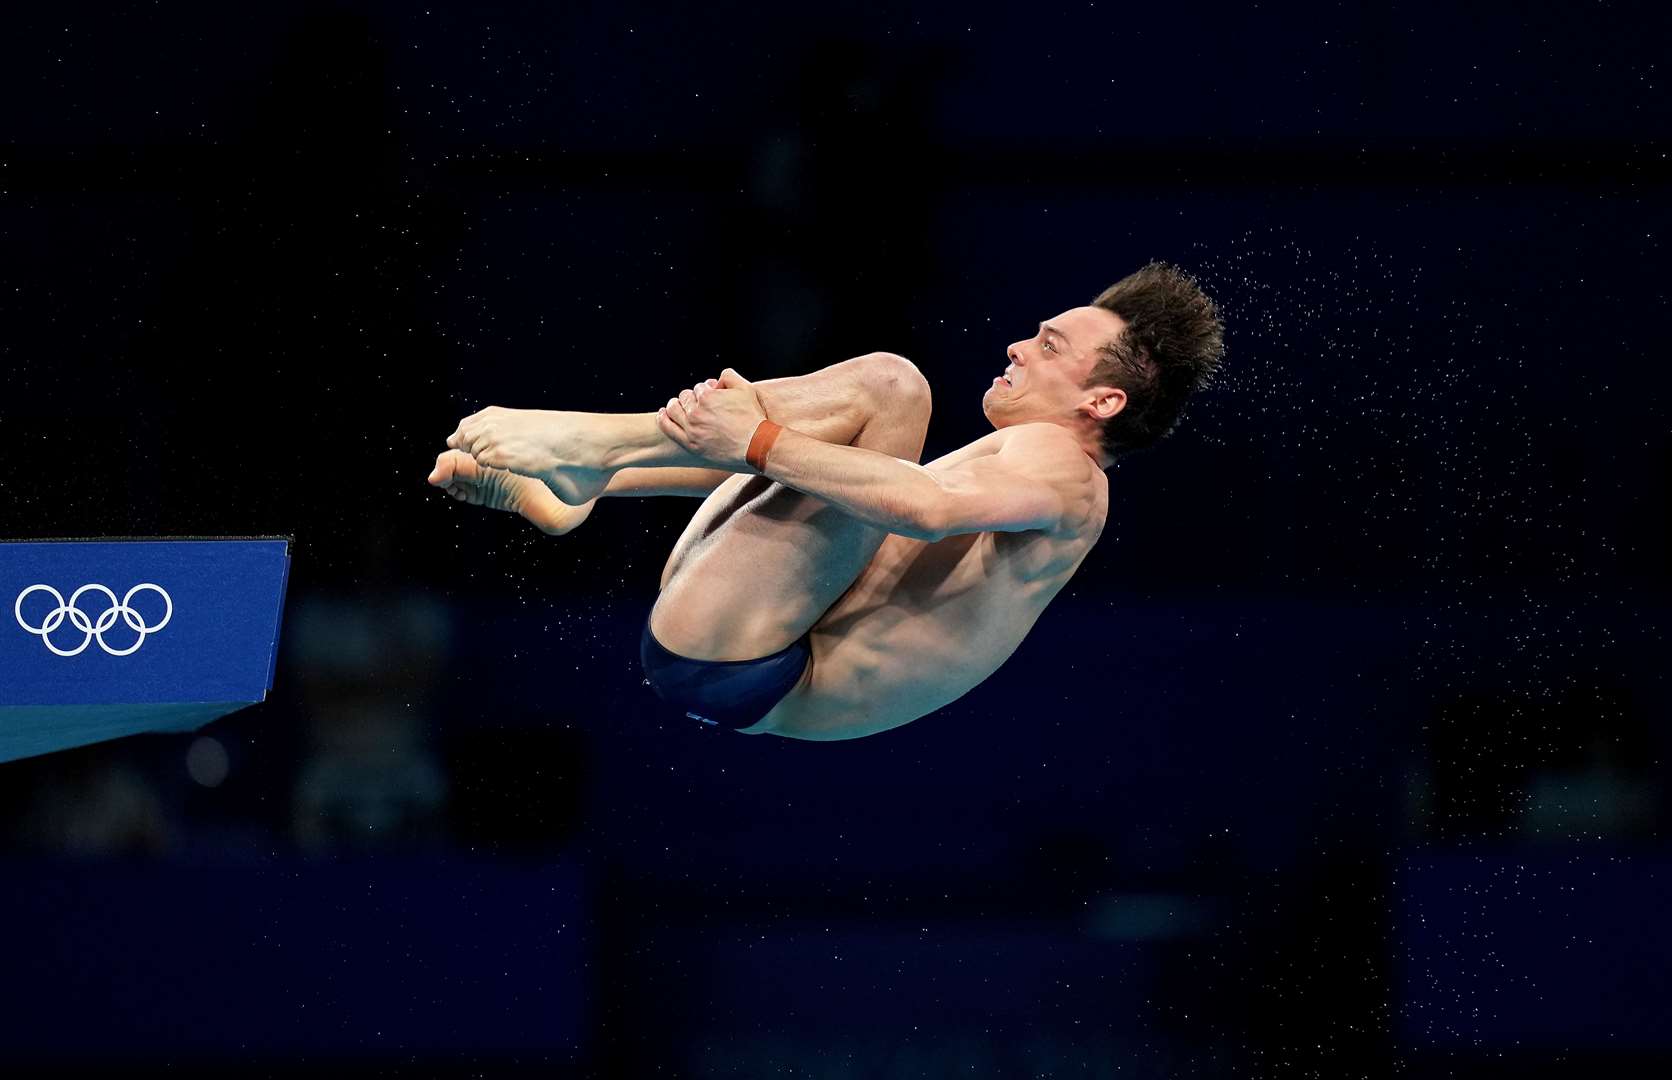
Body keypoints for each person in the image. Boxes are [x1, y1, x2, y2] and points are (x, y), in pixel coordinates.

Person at [428, 262, 1224, 740]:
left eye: (1050, 346)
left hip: (750, 662)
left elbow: (924, 512)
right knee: (844, 456)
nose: (1019, 345)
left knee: (891, 387)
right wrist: (750, 450)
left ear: (1104, 403)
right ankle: (593, 481)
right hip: (743, 659)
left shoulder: (1065, 469)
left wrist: (756, 440)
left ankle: (596, 448)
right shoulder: (1021, 472)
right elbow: (824, 495)